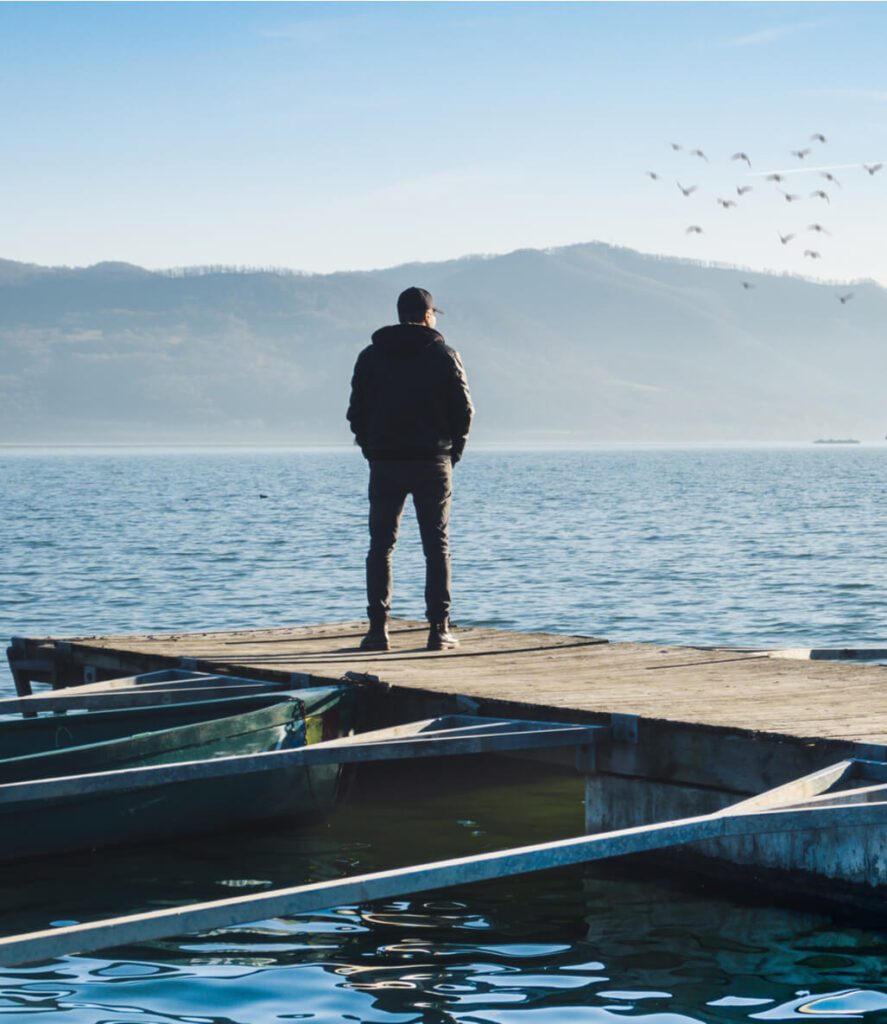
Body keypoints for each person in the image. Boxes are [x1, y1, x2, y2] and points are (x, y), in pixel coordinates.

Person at [347, 286, 474, 652]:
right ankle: (438, 630)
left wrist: (371, 449)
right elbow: (464, 411)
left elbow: (356, 412)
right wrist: (453, 452)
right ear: (428, 315)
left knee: (381, 546)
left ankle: (377, 631)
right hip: (433, 460)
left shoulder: (370, 357)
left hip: (386, 461)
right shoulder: (444, 355)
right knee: (436, 546)